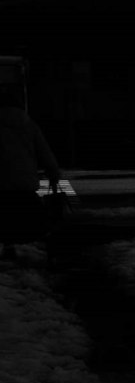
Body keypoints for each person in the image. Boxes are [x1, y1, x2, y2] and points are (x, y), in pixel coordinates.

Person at [0, 77, 65, 258]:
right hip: (25, 182)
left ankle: (8, 247)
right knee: (30, 221)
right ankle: (43, 252)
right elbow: (45, 154)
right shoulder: (28, 125)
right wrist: (54, 176)